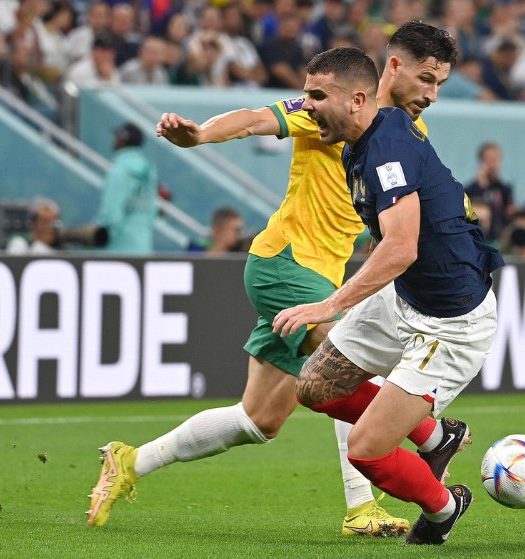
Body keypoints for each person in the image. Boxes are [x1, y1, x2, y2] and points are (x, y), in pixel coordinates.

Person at [87, 21, 460, 538]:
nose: (432, 95)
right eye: (426, 80)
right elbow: (253, 119)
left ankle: (130, 462)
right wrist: (198, 135)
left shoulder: (409, 135)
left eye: (440, 84)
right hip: (287, 263)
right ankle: (380, 489)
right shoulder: (333, 105)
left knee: (258, 420)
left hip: (320, 278)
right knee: (345, 361)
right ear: (392, 68)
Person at [272, 46, 503, 546]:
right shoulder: (362, 134)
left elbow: (400, 247)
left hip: (450, 323)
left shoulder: (386, 148)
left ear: (356, 99)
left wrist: (331, 304)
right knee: (314, 388)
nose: (305, 105)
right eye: (305, 93)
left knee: (366, 451)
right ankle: (439, 438)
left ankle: (444, 508)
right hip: (403, 298)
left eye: (316, 95)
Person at [95, 122, 158, 255]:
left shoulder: (120, 169)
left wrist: (103, 233)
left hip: (118, 246)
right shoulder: (149, 168)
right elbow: (152, 210)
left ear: (123, 139)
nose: (115, 140)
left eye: (117, 137)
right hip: (142, 243)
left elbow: (112, 211)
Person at [463, 142, 515, 243]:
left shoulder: (505, 190)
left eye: (495, 159)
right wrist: (481, 185)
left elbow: (509, 215)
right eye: (488, 159)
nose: (492, 163)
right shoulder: (470, 190)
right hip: (476, 238)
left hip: (499, 239)